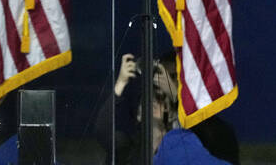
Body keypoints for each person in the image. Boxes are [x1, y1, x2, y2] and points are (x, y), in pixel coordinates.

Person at [95, 51, 239, 164]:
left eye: (174, 77)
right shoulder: (129, 150)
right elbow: (103, 130)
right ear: (139, 114)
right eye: (149, 100)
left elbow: (210, 139)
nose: (155, 102)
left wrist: (176, 96)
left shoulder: (202, 134)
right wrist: (121, 83)